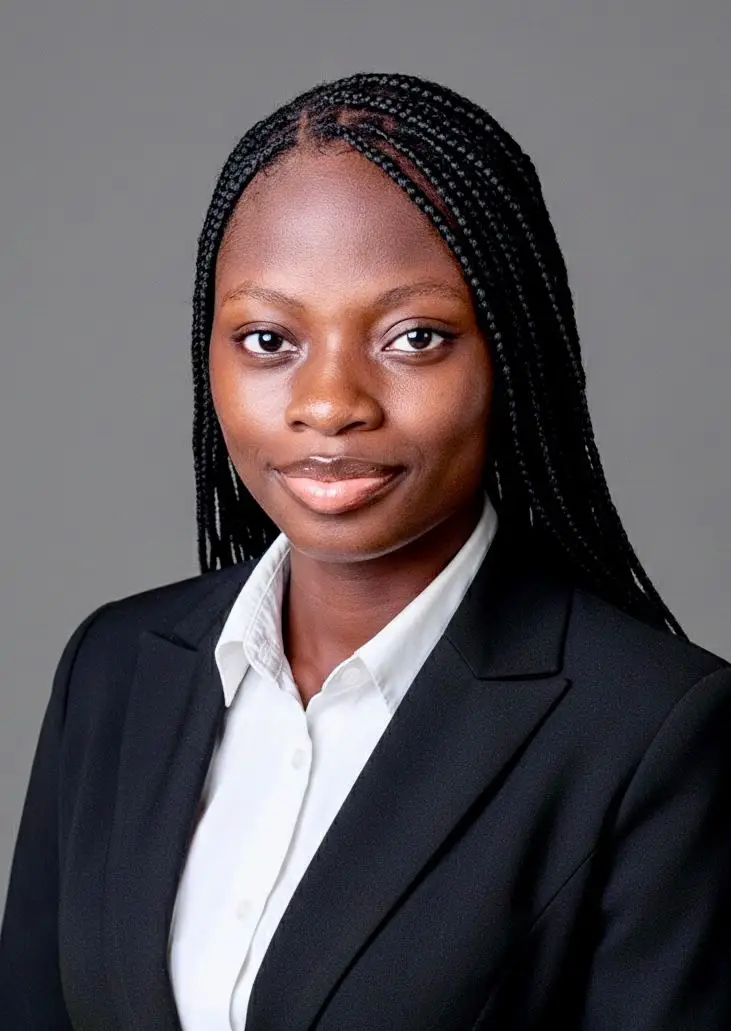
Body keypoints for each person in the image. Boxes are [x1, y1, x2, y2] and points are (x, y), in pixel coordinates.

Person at [0, 71, 729, 1031]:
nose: (330, 403)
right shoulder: (115, 668)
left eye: (414, 337)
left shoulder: (653, 730)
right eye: (268, 338)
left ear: (509, 356)